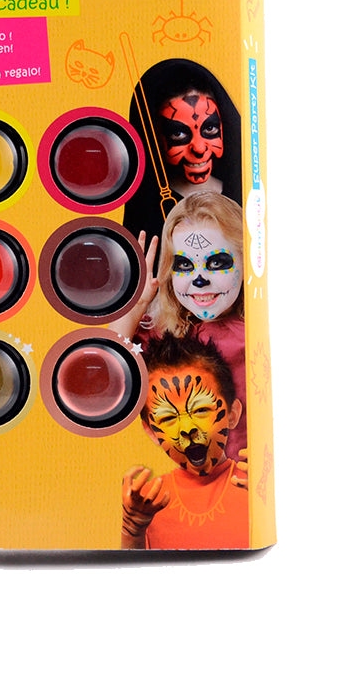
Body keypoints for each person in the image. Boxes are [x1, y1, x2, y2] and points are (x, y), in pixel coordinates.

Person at [112, 191, 247, 460]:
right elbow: (107, 379)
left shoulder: (259, 330)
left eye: (216, 262)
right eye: (184, 264)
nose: (199, 280)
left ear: (246, 259)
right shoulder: (160, 333)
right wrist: (135, 306)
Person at [120, 334, 248, 550]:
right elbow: (135, 566)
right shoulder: (146, 501)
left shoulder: (252, 484)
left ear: (232, 414)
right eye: (168, 418)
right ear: (152, 432)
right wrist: (132, 529)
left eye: (201, 410)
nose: (187, 428)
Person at [122, 59, 241, 261]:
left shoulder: (243, 194)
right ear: (154, 138)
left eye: (210, 128)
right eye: (178, 134)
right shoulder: (147, 213)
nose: (199, 148)